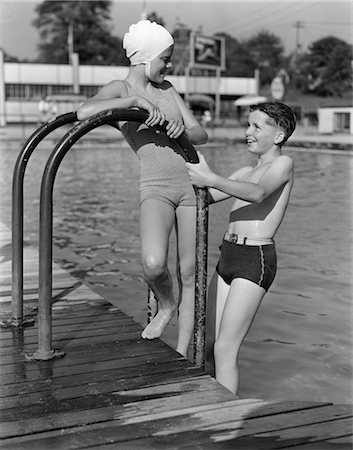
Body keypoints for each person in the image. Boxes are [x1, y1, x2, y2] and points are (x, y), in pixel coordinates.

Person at [77, 20, 208, 357]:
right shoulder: (120, 88)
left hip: (191, 182)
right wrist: (135, 104)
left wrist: (178, 128)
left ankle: (182, 353)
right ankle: (167, 306)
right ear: (145, 57)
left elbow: (200, 135)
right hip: (156, 186)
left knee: (190, 272)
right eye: (165, 58)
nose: (170, 64)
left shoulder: (167, 90)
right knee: (152, 264)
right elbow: (83, 111)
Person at [186, 102, 296, 396]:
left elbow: (259, 194)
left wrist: (211, 178)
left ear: (279, 136)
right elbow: (206, 197)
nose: (248, 132)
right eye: (248, 125)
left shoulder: (283, 165)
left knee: (225, 347)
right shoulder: (246, 170)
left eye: (257, 126)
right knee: (206, 342)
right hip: (229, 257)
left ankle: (224, 420)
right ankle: (206, 402)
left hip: (254, 259)